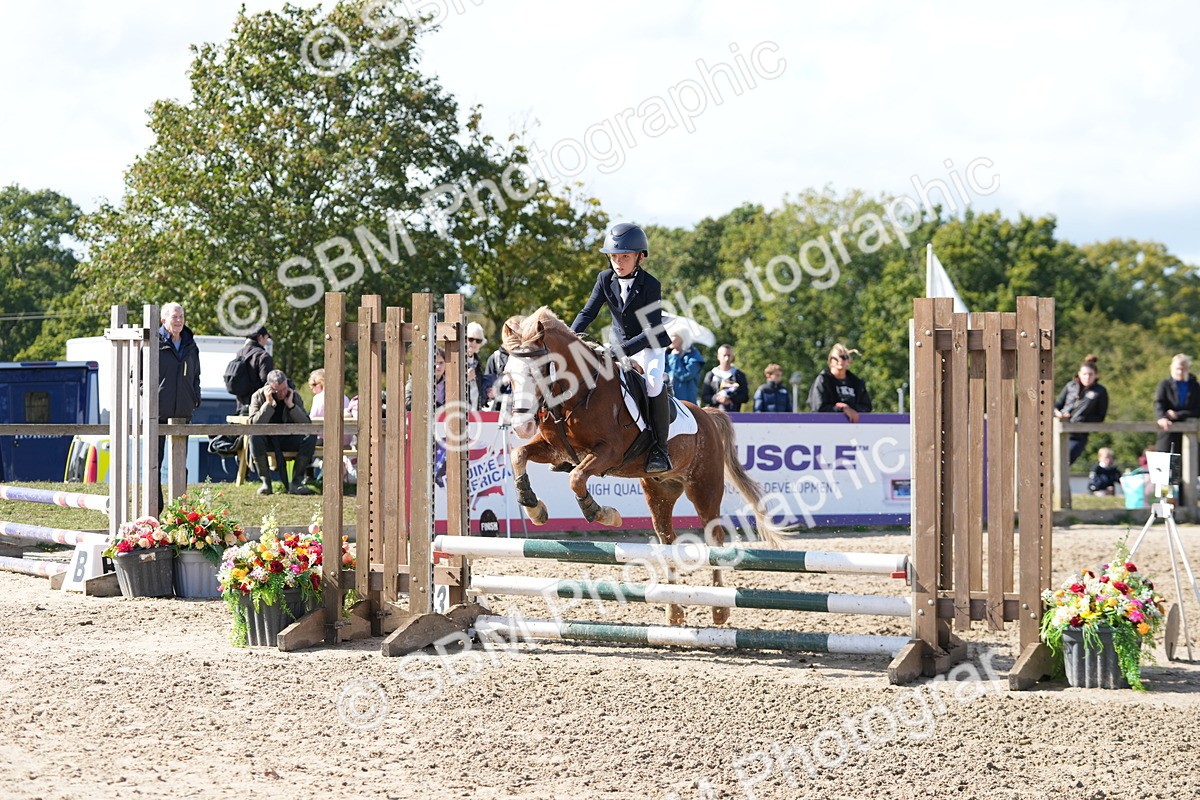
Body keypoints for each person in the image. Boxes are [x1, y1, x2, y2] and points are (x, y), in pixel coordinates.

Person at [571, 222, 673, 473]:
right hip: (616, 342)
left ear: (640, 257)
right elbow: (588, 312)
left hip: (648, 345)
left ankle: (660, 448)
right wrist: (570, 338)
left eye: (625, 256)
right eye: (614, 256)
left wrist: (619, 352)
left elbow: (650, 331)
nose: (618, 261)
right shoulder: (604, 279)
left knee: (652, 382)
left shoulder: (651, 285)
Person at [155, 302, 201, 511]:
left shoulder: (191, 344)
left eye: (181, 316)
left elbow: (196, 376)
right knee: (155, 462)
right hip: (157, 413)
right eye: (174, 317)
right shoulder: (153, 343)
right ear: (163, 319)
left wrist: (195, 399)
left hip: (182, 411)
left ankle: (181, 510)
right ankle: (156, 507)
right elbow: (135, 376)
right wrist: (150, 396)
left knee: (180, 464)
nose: (179, 320)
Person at [247, 369, 317, 495]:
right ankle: (266, 483)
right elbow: (254, 424)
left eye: (285, 388)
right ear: (270, 388)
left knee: (310, 437)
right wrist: (268, 404)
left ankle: (296, 483)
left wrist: (291, 406)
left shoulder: (293, 395)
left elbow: (306, 423)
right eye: (278, 390)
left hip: (287, 438)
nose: (283, 393)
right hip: (267, 439)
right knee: (254, 437)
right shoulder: (258, 396)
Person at [1055, 355, 1109, 465]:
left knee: (1064, 463)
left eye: (1090, 374)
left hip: (1078, 435)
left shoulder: (1100, 391)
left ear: (1096, 375)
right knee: (1049, 462)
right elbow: (1056, 405)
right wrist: (1058, 413)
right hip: (1058, 430)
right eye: (1085, 374)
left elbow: (1100, 417)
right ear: (1079, 374)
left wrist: (1081, 419)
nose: (1087, 377)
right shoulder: (1070, 386)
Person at [808, 343, 872, 422]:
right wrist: (841, 409)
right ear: (831, 360)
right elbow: (818, 408)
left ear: (849, 361)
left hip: (853, 428)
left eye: (844, 357)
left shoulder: (857, 383)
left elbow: (866, 407)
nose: (840, 360)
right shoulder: (823, 380)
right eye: (836, 358)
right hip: (827, 427)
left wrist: (849, 408)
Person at [1154, 353, 1200, 458]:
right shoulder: (1165, 384)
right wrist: (1162, 417)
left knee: (1189, 462)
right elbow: (1159, 402)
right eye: (1177, 369)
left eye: (1183, 369)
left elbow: (1197, 409)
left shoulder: (1195, 386)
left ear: (1188, 369)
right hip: (1168, 429)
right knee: (1167, 464)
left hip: (1189, 430)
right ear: (1171, 368)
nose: (1180, 372)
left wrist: (1178, 414)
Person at [233, 326, 273, 414]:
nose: (266, 342)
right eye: (266, 338)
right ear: (260, 337)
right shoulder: (263, 356)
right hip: (257, 408)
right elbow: (267, 382)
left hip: (240, 406)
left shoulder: (240, 353)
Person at [700, 344, 749, 412]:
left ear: (732, 357)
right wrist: (717, 398)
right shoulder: (711, 375)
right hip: (714, 415)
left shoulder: (739, 375)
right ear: (718, 356)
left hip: (734, 415)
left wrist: (730, 399)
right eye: (724, 355)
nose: (727, 359)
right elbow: (704, 397)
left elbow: (745, 397)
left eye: (729, 355)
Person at [665, 331, 704, 405]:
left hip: (687, 404)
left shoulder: (694, 356)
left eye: (673, 335)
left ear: (682, 338)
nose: (669, 338)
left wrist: (674, 358)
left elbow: (684, 376)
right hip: (667, 402)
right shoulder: (665, 356)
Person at [465, 321, 487, 410]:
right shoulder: (455, 360)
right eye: (470, 339)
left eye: (478, 340)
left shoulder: (478, 363)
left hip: (475, 412)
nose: (474, 343)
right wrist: (465, 380)